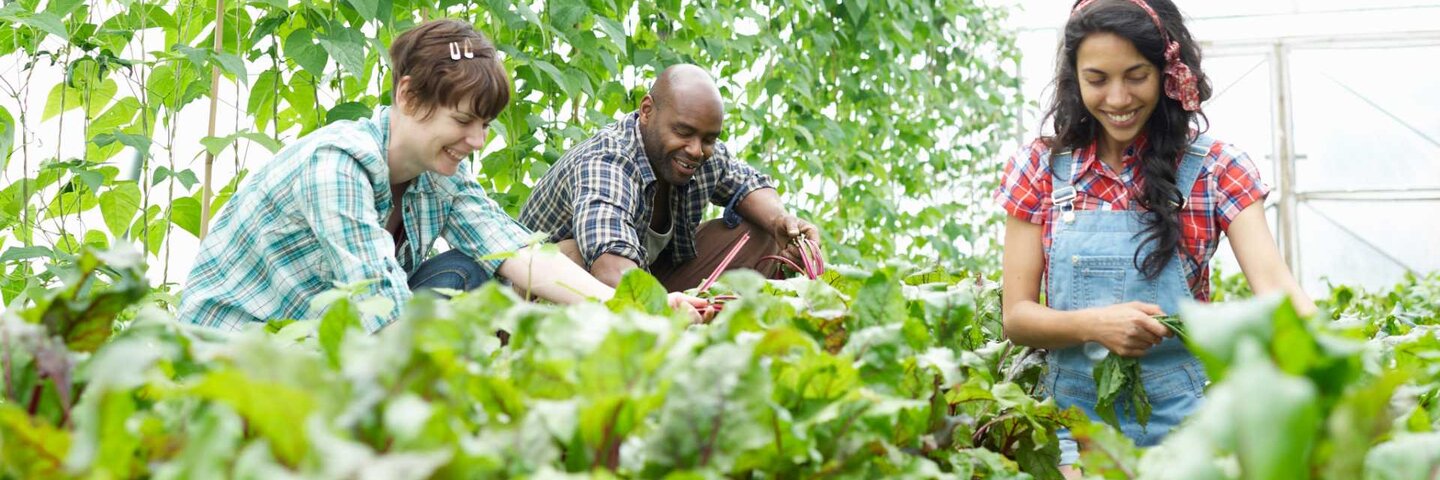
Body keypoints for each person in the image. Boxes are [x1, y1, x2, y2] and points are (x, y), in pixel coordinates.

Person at [179, 19, 702, 332]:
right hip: (236, 348)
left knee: (469, 270)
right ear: (408, 96)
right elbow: (378, 307)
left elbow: (517, 251)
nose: (476, 141)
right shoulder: (336, 164)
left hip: (321, 340)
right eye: (462, 120)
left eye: (485, 124)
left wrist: (635, 307)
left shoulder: (439, 173)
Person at [994, 0, 1317, 474]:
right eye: (1097, 79)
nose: (1119, 99)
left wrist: (1340, 362)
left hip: (1187, 429)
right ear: (1074, 78)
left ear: (1168, 72)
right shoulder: (1040, 169)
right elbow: (1016, 316)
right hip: (1072, 428)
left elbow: (1279, 293)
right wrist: (1096, 325)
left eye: (1136, 75)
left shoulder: (1215, 169)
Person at [519, 64, 821, 292]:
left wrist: (782, 222)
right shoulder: (608, 161)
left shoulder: (700, 153)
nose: (696, 150)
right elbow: (610, 267)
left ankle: (700, 350)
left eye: (709, 139)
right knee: (573, 256)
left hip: (643, 283)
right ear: (647, 111)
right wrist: (667, 309)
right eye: (683, 132)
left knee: (761, 232)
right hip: (546, 297)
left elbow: (748, 184)